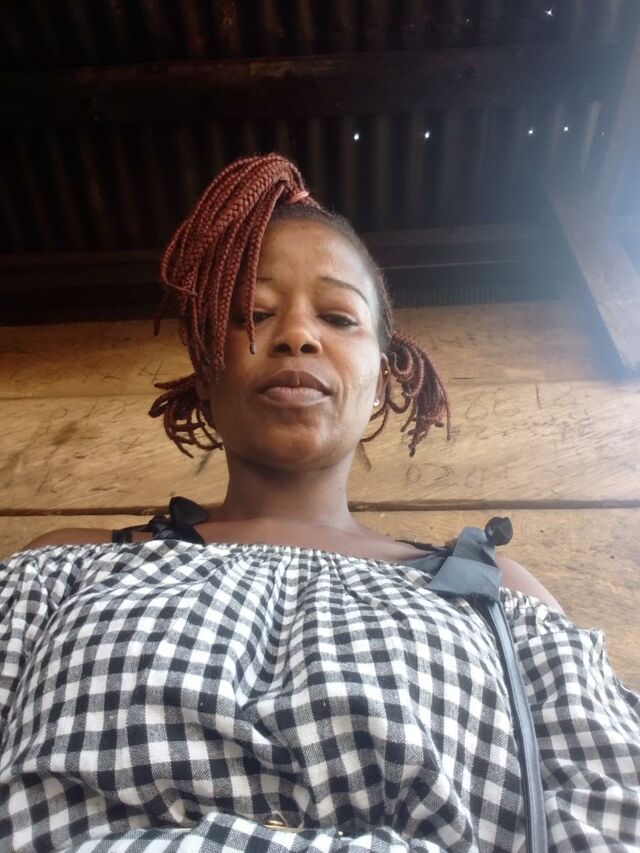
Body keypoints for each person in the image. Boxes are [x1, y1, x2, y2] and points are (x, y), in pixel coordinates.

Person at [0, 154, 638, 851]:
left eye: (337, 316)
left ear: (384, 378)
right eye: (254, 314)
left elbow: (613, 806)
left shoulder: (498, 595)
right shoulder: (67, 568)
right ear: (206, 369)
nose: (297, 335)